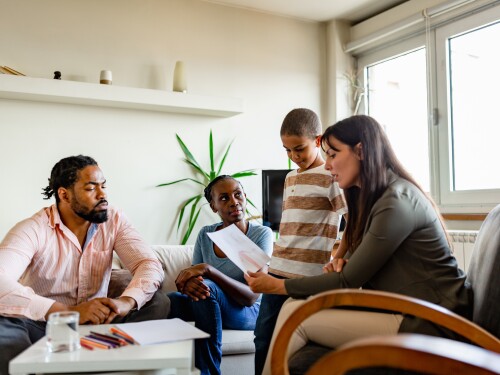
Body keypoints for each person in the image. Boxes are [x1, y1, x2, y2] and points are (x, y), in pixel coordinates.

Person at [245, 115, 472, 375]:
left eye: (332, 155)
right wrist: (344, 261)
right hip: (406, 309)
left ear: (361, 151)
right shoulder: (377, 197)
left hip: (430, 322)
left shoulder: (396, 200)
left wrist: (279, 285)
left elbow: (347, 282)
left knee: (297, 321)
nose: (328, 165)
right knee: (292, 307)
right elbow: (357, 267)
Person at [0, 155, 170, 375]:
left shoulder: (114, 219)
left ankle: (113, 359)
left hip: (100, 323)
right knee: (4, 328)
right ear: (64, 195)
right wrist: (68, 312)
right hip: (45, 326)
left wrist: (126, 302)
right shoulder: (33, 229)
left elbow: (148, 263)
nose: (103, 195)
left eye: (103, 186)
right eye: (91, 188)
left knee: (158, 301)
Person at [253, 108, 347, 375]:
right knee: (262, 338)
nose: (294, 157)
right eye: (287, 150)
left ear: (317, 141)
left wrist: (340, 253)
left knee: (296, 342)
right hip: (277, 270)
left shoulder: (331, 177)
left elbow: (350, 219)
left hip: (309, 277)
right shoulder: (290, 177)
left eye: (299, 149)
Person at [167, 175, 273, 375]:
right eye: (224, 198)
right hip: (212, 304)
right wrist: (191, 282)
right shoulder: (205, 235)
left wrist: (210, 271)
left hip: (250, 312)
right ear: (213, 206)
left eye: (238, 194)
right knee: (172, 299)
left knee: (209, 288)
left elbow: (252, 297)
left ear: (245, 197)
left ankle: (209, 372)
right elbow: (194, 280)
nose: (234, 201)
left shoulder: (261, 234)